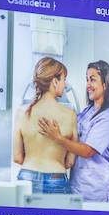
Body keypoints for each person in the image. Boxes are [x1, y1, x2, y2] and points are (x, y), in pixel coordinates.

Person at [40, 61, 109, 202]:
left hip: (96, 191)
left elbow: (88, 151)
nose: (88, 85)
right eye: (87, 80)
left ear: (105, 84)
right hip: (78, 187)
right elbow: (72, 136)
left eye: (92, 80)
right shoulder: (86, 112)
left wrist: (58, 138)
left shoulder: (108, 117)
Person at [14, 57, 78, 194]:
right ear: (55, 81)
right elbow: (70, 162)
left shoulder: (21, 112)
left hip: (26, 178)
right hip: (56, 179)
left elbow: (17, 158)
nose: (65, 84)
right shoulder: (70, 114)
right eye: (63, 79)